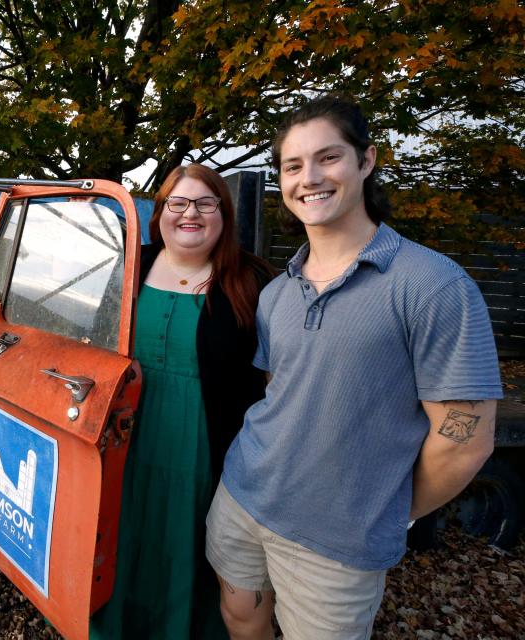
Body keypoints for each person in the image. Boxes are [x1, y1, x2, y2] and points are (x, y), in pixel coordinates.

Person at [205, 96, 504, 639]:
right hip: (243, 499)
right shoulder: (277, 292)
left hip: (337, 541)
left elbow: (465, 441)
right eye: (292, 166)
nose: (309, 178)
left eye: (328, 158)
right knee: (239, 617)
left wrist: (384, 508)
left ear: (366, 161)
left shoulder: (433, 285)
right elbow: (282, 394)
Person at [91, 163, 274, 638]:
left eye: (205, 203)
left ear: (223, 214)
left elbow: (278, 375)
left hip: (205, 443)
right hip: (127, 433)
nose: (190, 213)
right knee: (122, 534)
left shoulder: (254, 282)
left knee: (189, 545)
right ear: (160, 213)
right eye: (178, 202)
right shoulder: (128, 264)